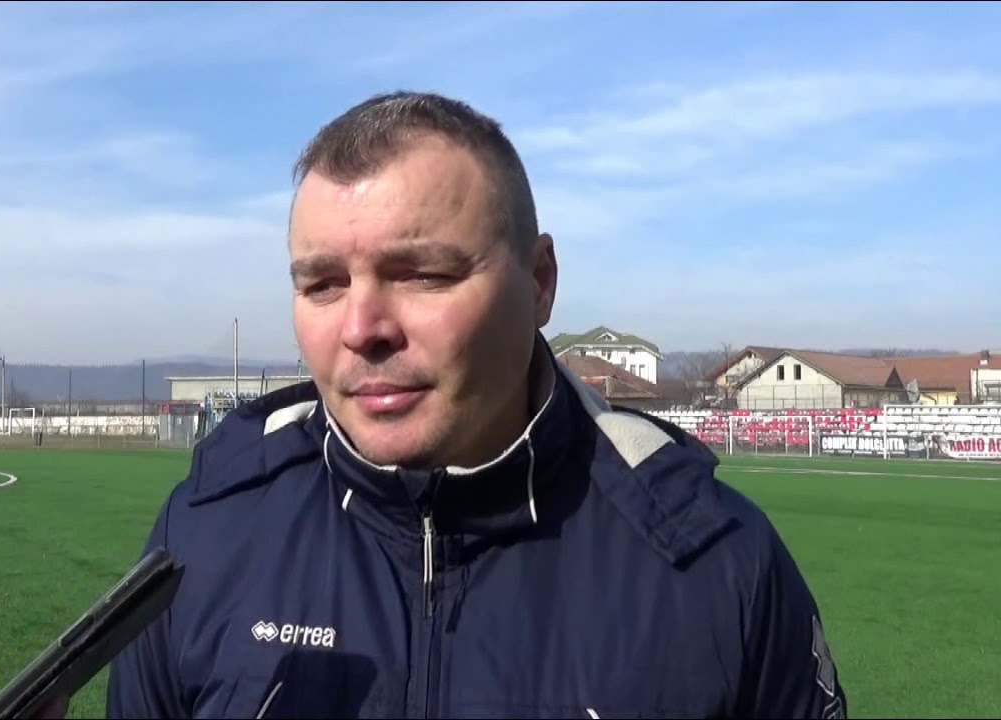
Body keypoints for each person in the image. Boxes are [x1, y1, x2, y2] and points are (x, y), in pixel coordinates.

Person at [103, 91, 848, 719]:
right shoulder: (206, 531)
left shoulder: (714, 560)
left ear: (540, 282)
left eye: (423, 274)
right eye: (323, 284)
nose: (362, 329)